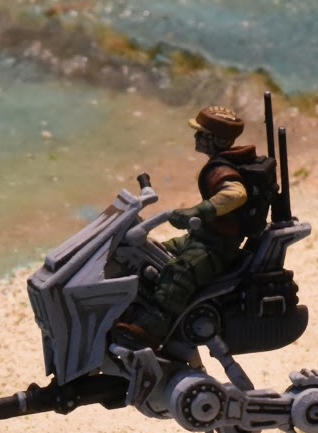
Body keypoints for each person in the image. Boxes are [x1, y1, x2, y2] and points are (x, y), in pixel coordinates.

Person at [112, 105, 277, 349]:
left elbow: (236, 194)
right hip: (201, 237)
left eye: (202, 133)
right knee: (151, 252)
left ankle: (152, 330)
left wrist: (198, 211)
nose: (196, 137)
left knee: (179, 272)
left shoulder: (221, 170)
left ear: (217, 140)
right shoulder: (223, 163)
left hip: (217, 247)